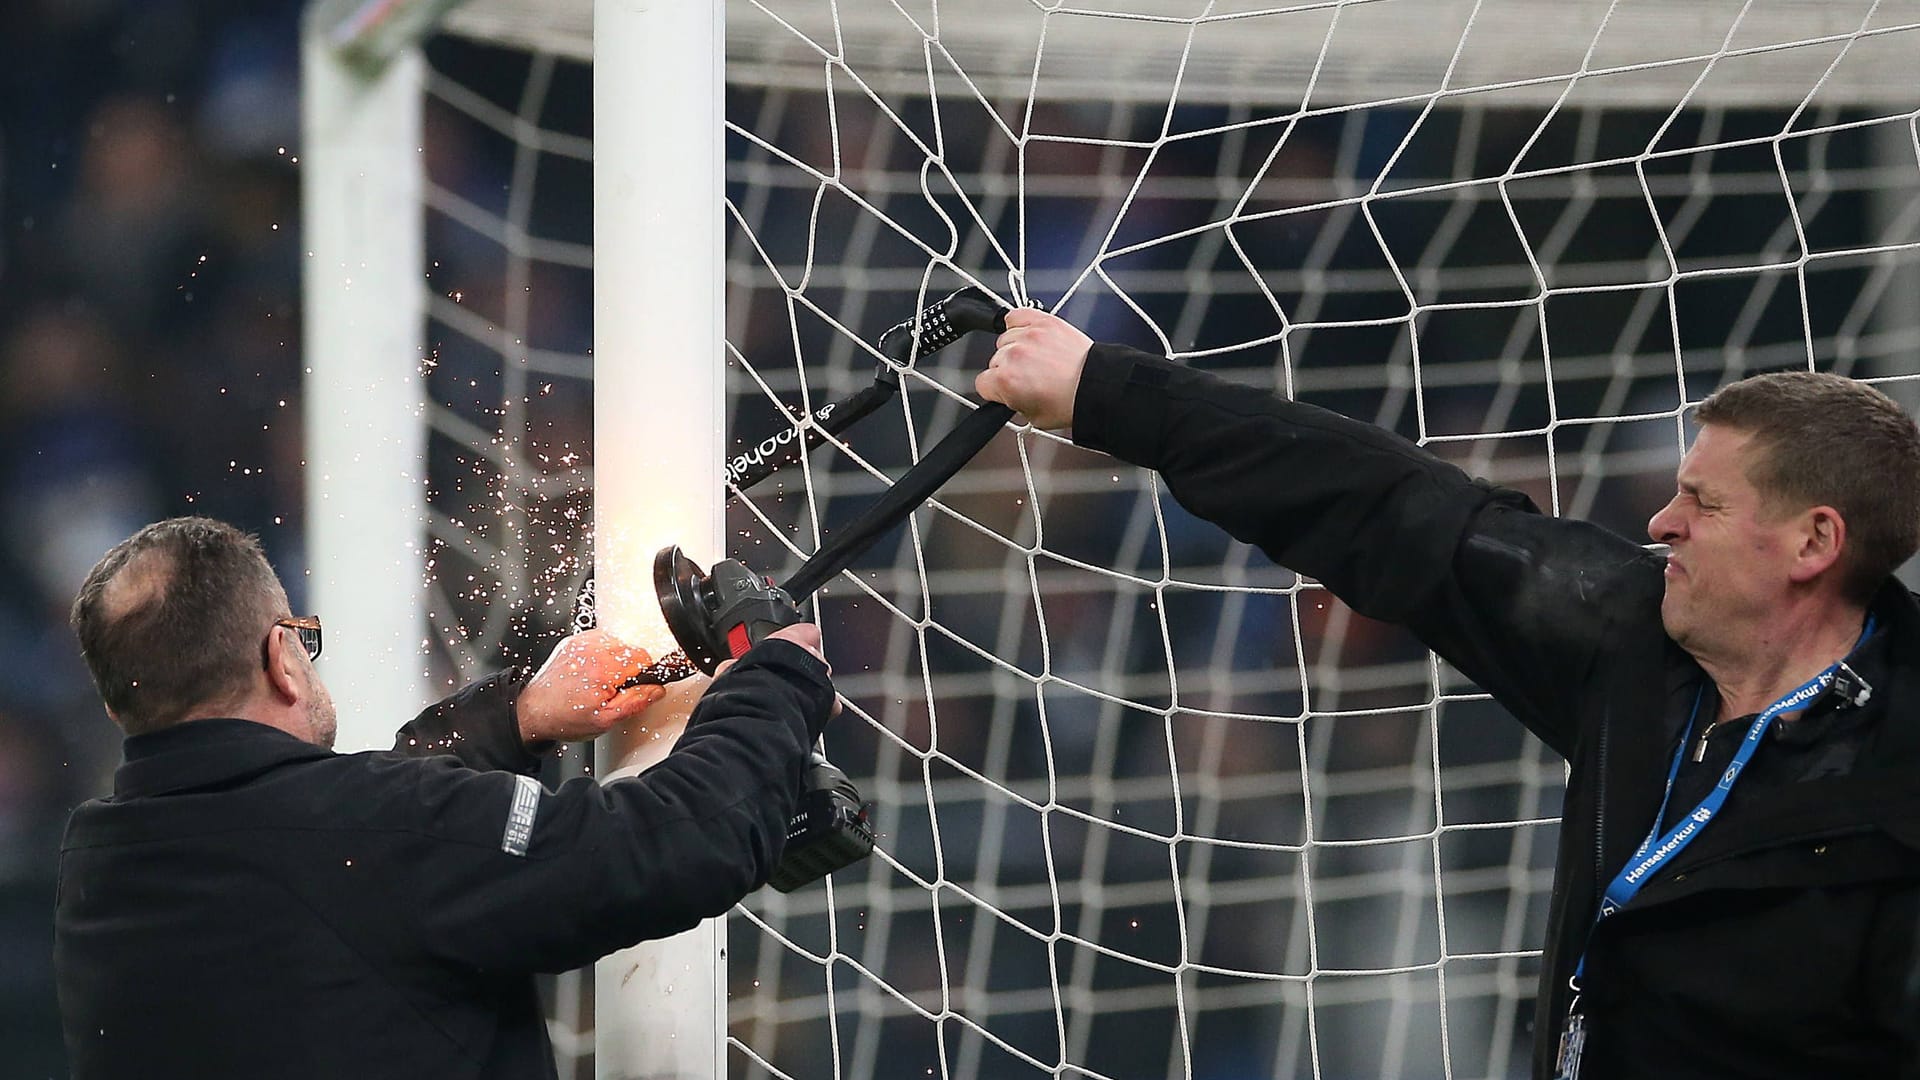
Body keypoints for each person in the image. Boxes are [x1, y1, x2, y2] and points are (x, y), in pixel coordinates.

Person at [978, 309, 1920, 1078]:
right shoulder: (1635, 642)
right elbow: (1390, 505)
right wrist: (1107, 391)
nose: (1660, 520)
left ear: (1813, 543)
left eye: (1702, 504)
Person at [54, 516, 837, 1079]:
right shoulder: (355, 837)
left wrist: (517, 716)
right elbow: (670, 843)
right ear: (281, 655)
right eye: (304, 633)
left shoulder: (102, 870)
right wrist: (775, 681)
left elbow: (352, 856)